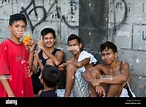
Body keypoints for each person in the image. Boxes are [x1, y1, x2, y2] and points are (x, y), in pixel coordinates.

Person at [0, 13, 35, 97]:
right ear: (10, 28)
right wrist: (10, 93)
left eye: (23, 27)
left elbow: (28, 69)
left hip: (24, 88)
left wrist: (31, 52)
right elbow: (2, 73)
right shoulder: (5, 45)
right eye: (17, 26)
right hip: (11, 91)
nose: (20, 29)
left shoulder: (23, 46)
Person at [31, 27, 65, 95]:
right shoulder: (38, 52)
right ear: (42, 40)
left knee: (50, 61)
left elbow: (57, 62)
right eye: (46, 38)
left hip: (51, 83)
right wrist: (30, 54)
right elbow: (34, 70)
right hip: (39, 80)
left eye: (51, 38)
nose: (48, 41)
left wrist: (43, 48)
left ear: (54, 39)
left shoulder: (58, 53)